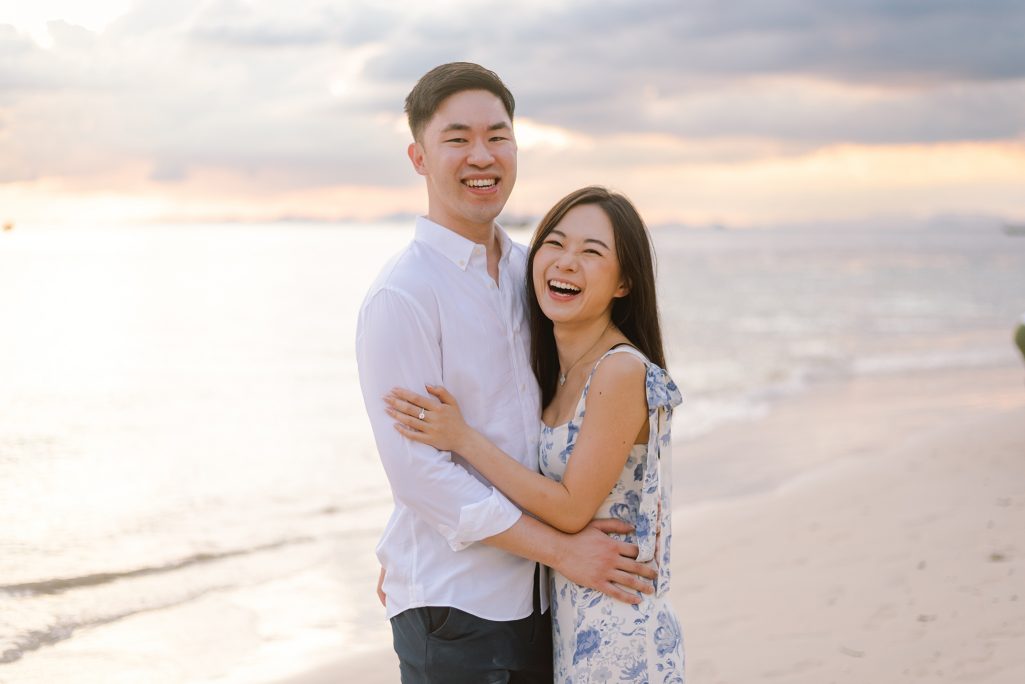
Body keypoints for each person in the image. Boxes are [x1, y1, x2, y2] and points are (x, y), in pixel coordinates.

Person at [356, 63, 656, 683]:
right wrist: (562, 549)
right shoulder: (402, 296)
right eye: (457, 139)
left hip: (546, 601)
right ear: (419, 156)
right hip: (456, 603)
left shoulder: (536, 276)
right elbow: (419, 477)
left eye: (498, 135)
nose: (482, 156)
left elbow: (593, 385)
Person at [386, 186, 685, 681]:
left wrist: (462, 438)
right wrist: (413, 542)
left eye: (592, 252)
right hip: (573, 627)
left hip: (621, 636)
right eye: (555, 243)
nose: (567, 262)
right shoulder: (556, 371)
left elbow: (569, 507)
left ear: (624, 282)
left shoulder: (619, 371)